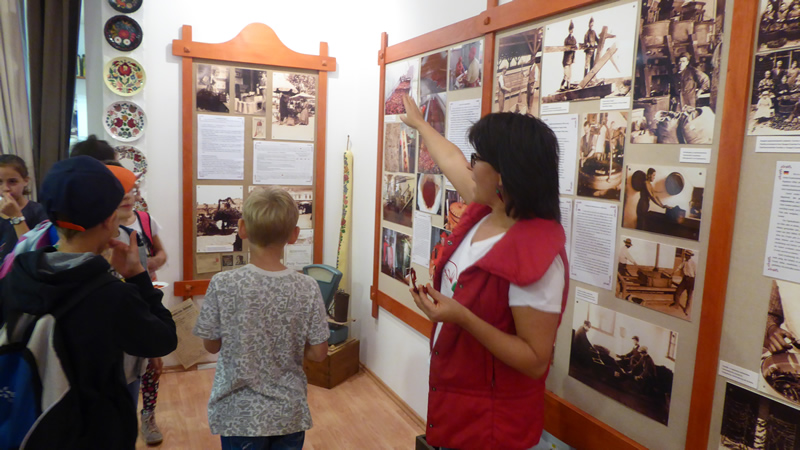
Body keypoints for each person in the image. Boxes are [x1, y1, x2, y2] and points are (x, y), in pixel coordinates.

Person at [400, 94, 568, 449]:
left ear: (503, 175)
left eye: (477, 159)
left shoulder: (536, 253)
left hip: (492, 428)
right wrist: (420, 124)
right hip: (460, 406)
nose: (471, 167)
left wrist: (461, 317)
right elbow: (451, 160)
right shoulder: (486, 211)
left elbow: (535, 360)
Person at [0, 156, 177, 448]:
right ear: (109, 220)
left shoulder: (19, 272)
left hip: (30, 429)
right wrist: (138, 278)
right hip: (93, 435)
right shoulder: (111, 294)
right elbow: (164, 339)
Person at [193, 187, 329, 450]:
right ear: (294, 235)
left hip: (239, 414)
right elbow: (319, 353)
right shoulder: (307, 287)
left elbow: (211, 345)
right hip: (288, 412)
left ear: (242, 228)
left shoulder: (223, 283)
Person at [0, 155, 47, 262]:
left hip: (20, 269)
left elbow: (34, 253)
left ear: (25, 181)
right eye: (0, 182)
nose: (5, 188)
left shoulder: (39, 212)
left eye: (12, 181)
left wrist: (16, 216)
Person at [672, 249, 696, 315]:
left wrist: (695, 283)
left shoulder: (693, 263)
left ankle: (687, 310)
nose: (685, 256)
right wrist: (674, 272)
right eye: (685, 255)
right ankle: (676, 305)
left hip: (691, 280)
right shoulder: (684, 262)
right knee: (678, 292)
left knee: (689, 296)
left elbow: (696, 273)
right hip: (684, 279)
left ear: (690, 256)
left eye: (687, 255)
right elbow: (679, 267)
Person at [561, 21, 577, 91]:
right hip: (566, 60)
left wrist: (573, 59)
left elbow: (575, 50)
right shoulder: (566, 39)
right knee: (566, 74)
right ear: (569, 30)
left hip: (571, 59)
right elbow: (566, 49)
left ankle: (568, 86)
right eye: (570, 29)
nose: (571, 31)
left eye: (572, 29)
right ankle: (562, 85)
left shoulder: (574, 39)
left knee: (570, 75)